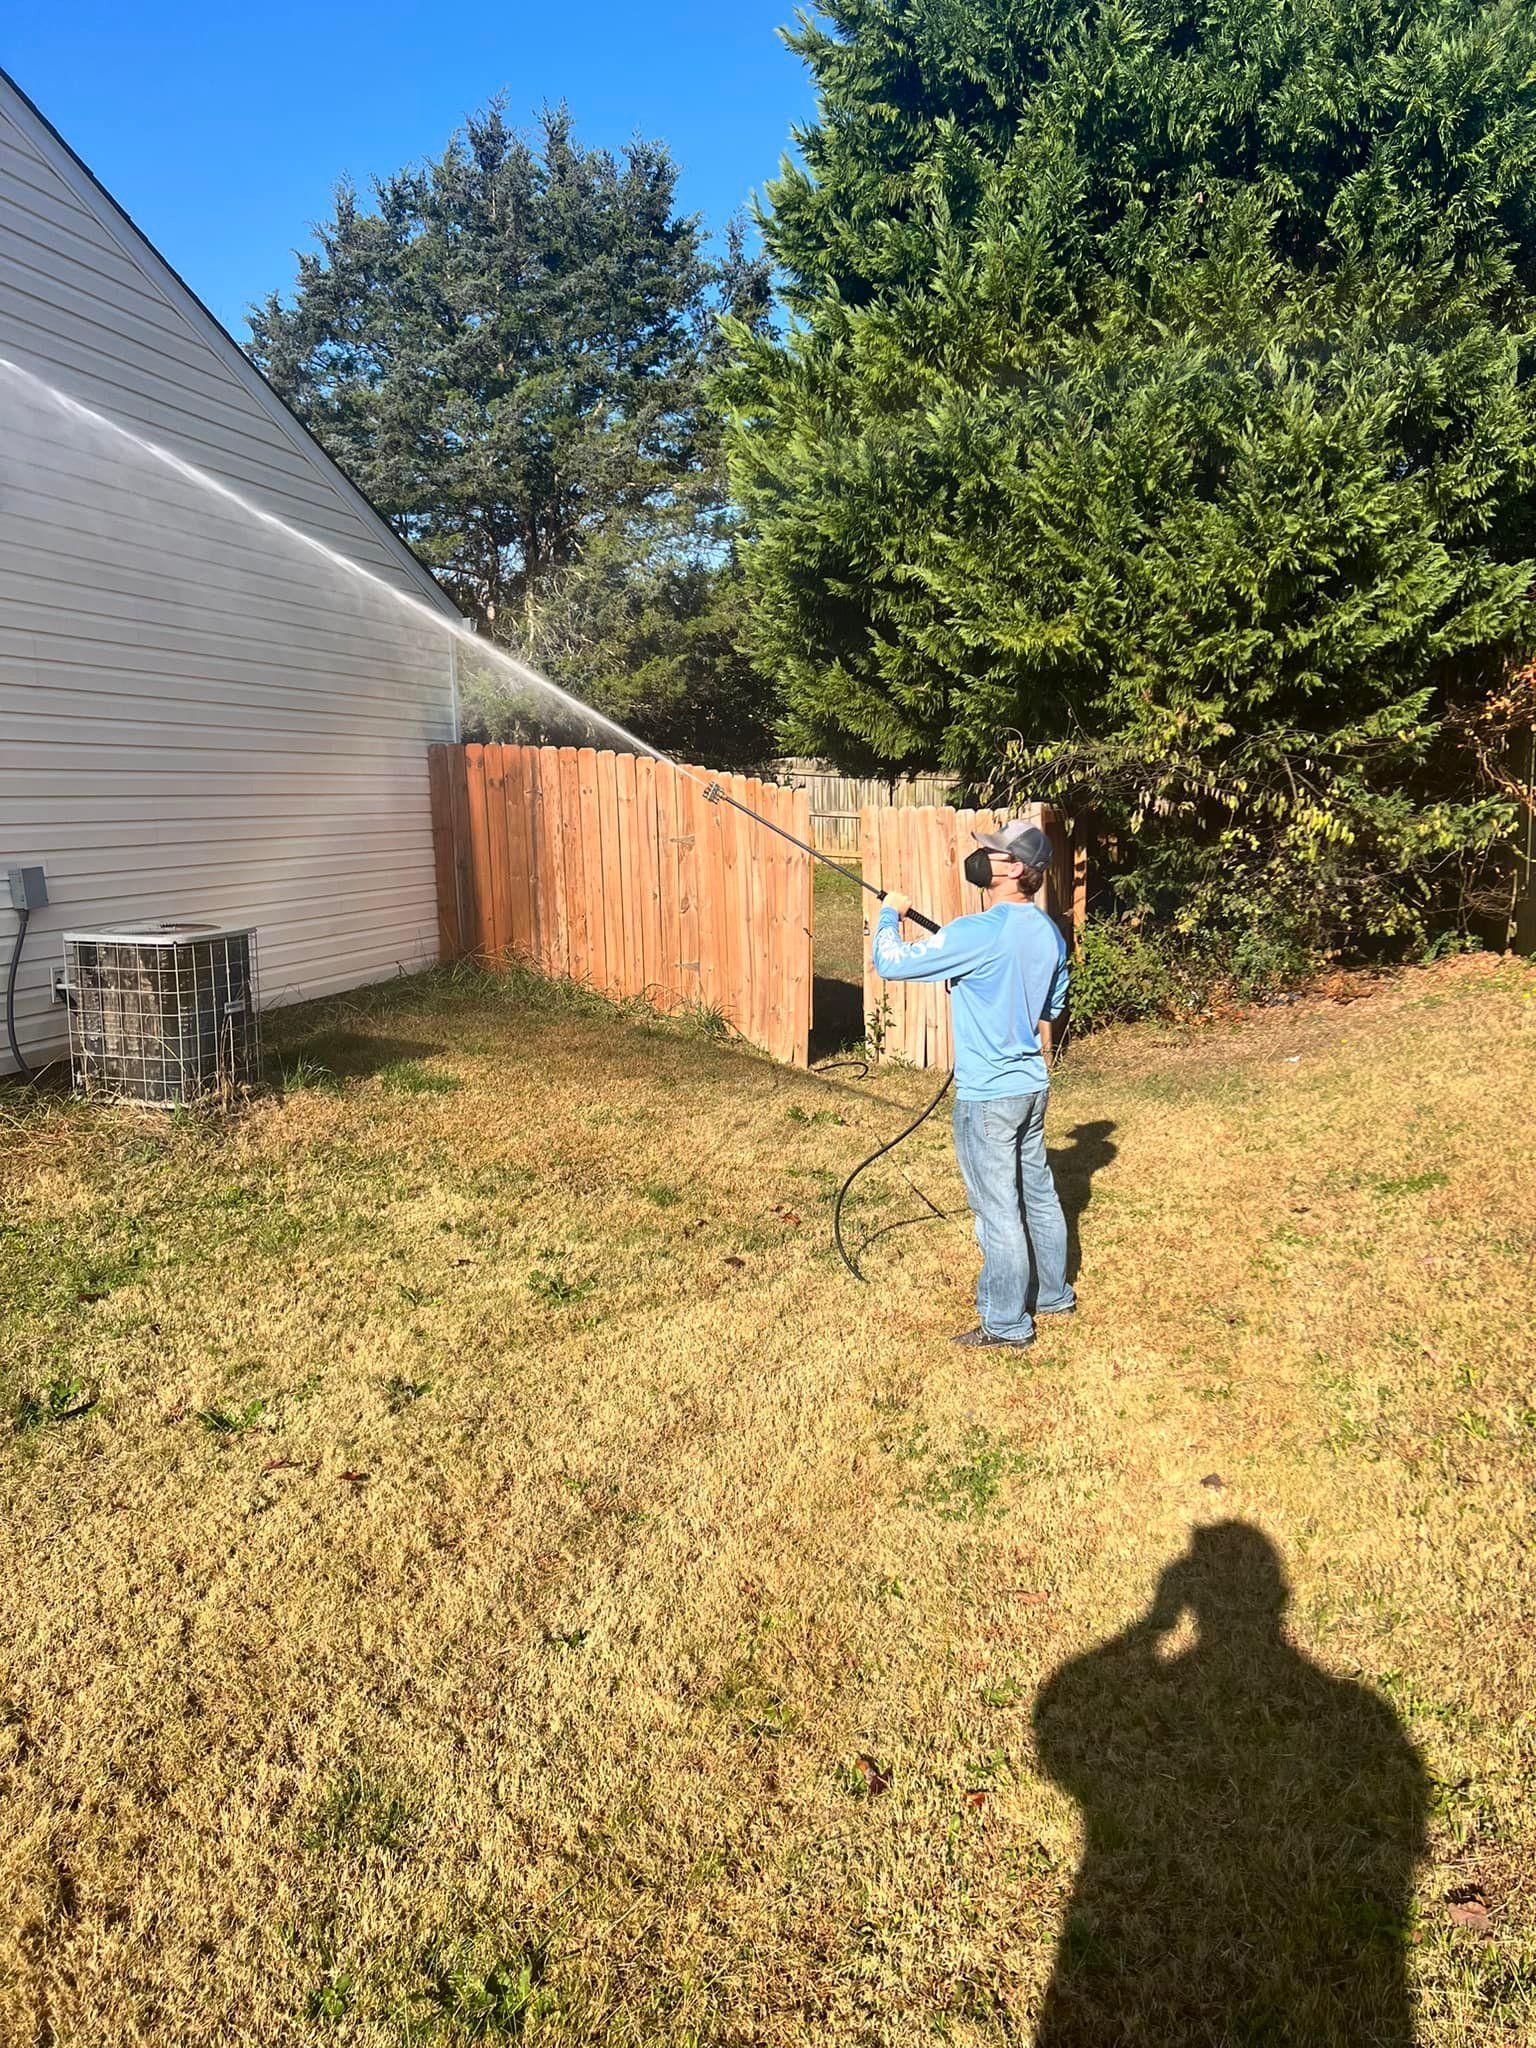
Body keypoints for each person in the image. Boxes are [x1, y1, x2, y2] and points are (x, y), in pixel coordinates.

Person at [873, 820, 1073, 1350]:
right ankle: (1053, 1295)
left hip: (988, 1096)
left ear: (1013, 868)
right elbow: (1051, 1007)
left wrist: (889, 913)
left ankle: (1006, 1323)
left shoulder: (976, 931)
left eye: (991, 850)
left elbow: (888, 963)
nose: (980, 854)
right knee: (1040, 1194)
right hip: (1032, 1085)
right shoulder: (1050, 933)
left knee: (997, 1208)